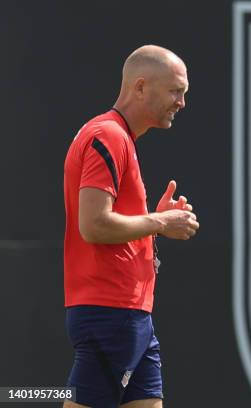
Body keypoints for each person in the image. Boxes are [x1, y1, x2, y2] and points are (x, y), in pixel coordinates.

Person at [62, 45, 199, 408]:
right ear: (140, 87)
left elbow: (109, 223)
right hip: (111, 313)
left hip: (130, 314)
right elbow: (93, 225)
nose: (181, 102)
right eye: (175, 91)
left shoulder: (119, 137)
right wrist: (160, 221)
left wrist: (153, 224)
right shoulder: (108, 135)